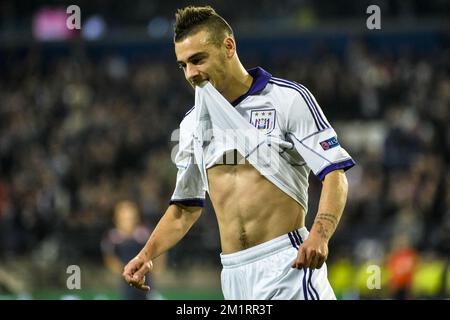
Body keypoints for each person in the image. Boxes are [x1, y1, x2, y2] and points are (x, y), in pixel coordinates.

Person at [123, 5, 355, 300]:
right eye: (183, 65)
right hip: (233, 275)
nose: (191, 74)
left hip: (287, 263)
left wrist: (320, 235)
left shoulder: (287, 99)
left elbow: (335, 172)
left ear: (228, 46)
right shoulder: (192, 123)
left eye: (197, 60)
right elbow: (185, 207)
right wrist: (146, 254)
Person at [102, 200, 163, 299]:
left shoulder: (144, 233)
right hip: (126, 281)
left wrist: (157, 267)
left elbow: (159, 249)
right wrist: (125, 271)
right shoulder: (113, 237)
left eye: (130, 218)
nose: (127, 221)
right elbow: (110, 259)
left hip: (146, 278)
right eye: (124, 218)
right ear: (116, 218)